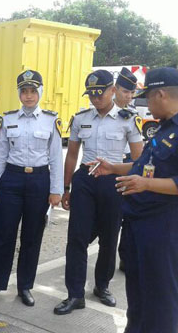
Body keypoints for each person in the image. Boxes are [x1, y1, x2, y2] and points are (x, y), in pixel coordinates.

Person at [89, 67, 178, 333]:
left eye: (147, 98)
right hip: (138, 226)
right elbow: (143, 165)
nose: (146, 106)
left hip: (163, 229)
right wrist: (113, 168)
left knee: (161, 298)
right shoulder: (163, 129)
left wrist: (146, 184)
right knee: (138, 296)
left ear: (160, 94)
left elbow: (150, 179)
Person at [54, 70, 143, 315]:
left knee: (109, 237)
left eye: (99, 93)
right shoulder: (81, 118)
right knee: (77, 238)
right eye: (91, 94)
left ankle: (102, 286)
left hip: (113, 181)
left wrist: (117, 172)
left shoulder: (128, 119)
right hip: (85, 181)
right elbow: (71, 154)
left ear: (112, 90)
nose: (95, 98)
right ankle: (74, 294)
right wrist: (66, 187)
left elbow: (139, 160)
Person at [0, 70, 63, 307]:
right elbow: (0, 156)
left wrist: (56, 189)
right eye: (24, 91)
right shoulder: (7, 120)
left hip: (39, 181)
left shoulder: (51, 120)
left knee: (32, 237)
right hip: (12, 179)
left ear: (40, 92)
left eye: (32, 91)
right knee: (3, 235)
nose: (28, 96)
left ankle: (25, 286)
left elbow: (56, 158)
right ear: (19, 93)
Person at [114, 67, 140, 273]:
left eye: (132, 93)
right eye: (125, 92)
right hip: (105, 167)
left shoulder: (132, 115)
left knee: (128, 215)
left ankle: (125, 256)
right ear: (114, 90)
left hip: (127, 166)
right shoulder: (98, 110)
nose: (129, 97)